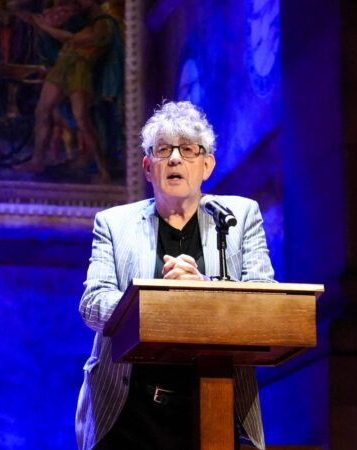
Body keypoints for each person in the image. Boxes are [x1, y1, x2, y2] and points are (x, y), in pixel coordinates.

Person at [75, 101, 275, 450]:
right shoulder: (113, 223)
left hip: (215, 399)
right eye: (163, 150)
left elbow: (265, 302)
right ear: (148, 168)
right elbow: (93, 304)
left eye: (187, 150)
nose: (175, 159)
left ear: (207, 165)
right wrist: (153, 302)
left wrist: (204, 291)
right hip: (129, 409)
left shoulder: (239, 217)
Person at [16, 0, 115, 180]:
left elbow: (70, 39)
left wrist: (44, 26)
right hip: (62, 67)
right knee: (42, 111)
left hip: (79, 71)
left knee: (81, 119)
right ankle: (38, 160)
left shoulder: (104, 25)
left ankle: (102, 168)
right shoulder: (79, 20)